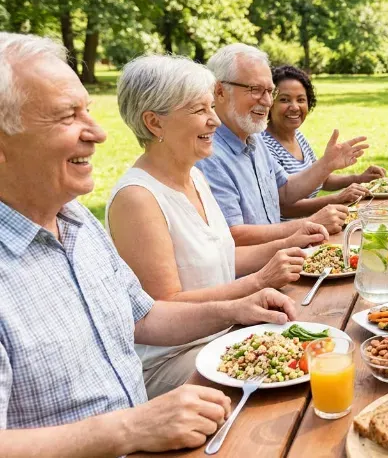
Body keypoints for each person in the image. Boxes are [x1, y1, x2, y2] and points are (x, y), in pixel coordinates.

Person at [0, 33, 300, 456]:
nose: (99, 133)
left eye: (89, 110)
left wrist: (236, 308)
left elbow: (143, 316)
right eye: (68, 116)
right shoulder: (132, 198)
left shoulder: (76, 220)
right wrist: (129, 429)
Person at [107, 55, 324, 398]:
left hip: (224, 334)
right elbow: (165, 306)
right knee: (296, 387)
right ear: (154, 123)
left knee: (320, 348)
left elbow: (220, 258)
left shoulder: (193, 174)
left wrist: (291, 241)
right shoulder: (137, 198)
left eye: (212, 107)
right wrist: (258, 283)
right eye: (199, 110)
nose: (213, 121)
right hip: (175, 359)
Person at [195, 44, 368, 240]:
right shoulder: (207, 153)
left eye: (270, 91)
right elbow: (233, 235)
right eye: (256, 90)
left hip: (282, 261)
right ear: (219, 91)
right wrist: (311, 223)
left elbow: (284, 191)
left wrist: (327, 164)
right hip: (258, 269)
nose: (268, 101)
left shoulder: (254, 138)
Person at [263, 65, 385, 217]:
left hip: (315, 225)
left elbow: (321, 179)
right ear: (269, 103)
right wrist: (336, 199)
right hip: (289, 233)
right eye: (284, 100)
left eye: (301, 99)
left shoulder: (298, 137)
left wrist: (359, 178)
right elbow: (283, 206)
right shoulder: (263, 146)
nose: (294, 107)